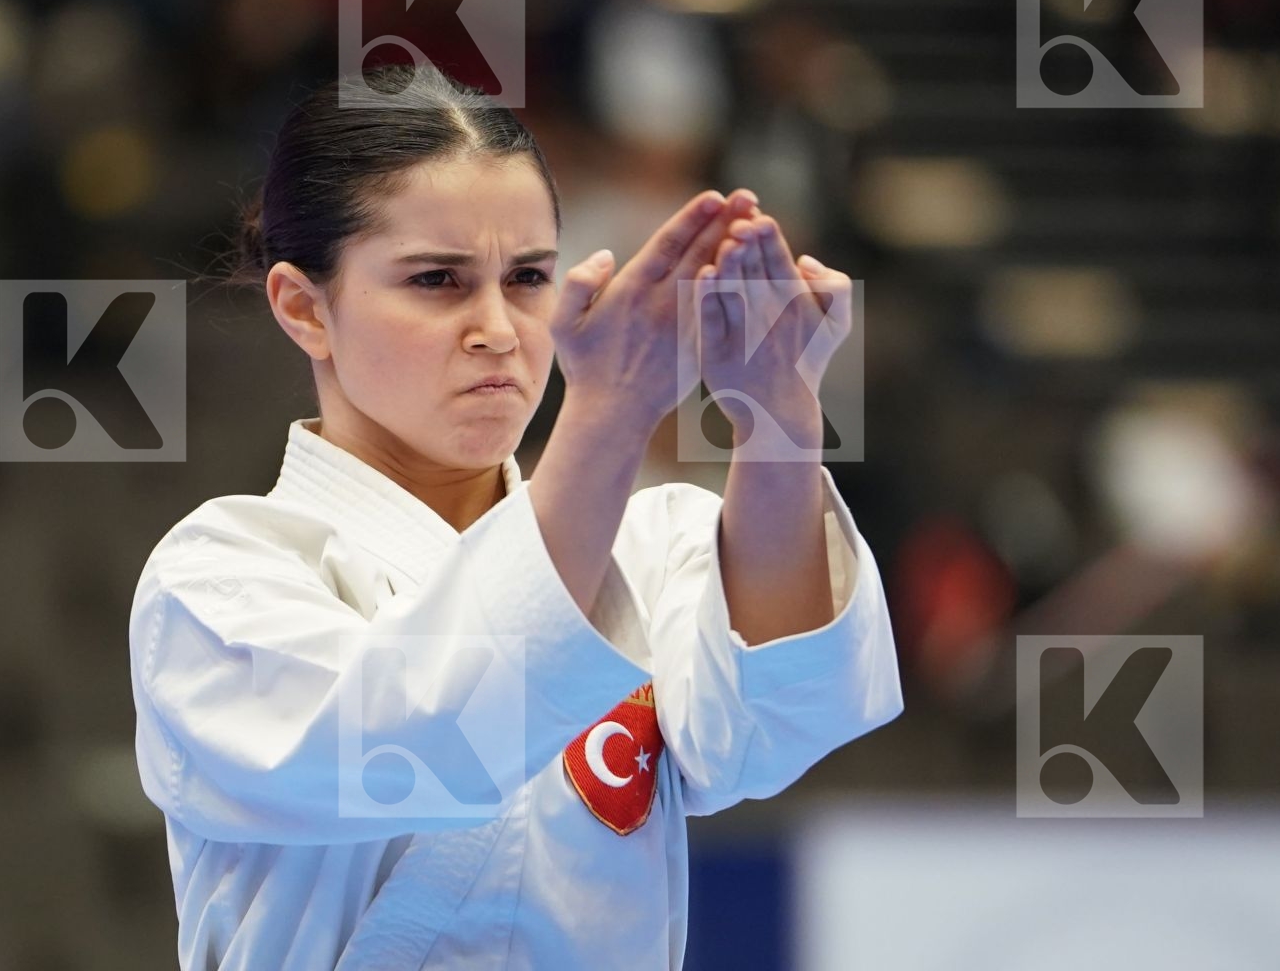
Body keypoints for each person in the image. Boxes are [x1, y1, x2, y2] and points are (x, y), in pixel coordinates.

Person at [127, 64, 902, 969]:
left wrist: (778, 413)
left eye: (528, 276)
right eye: (437, 281)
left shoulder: (647, 543)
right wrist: (609, 414)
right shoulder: (223, 579)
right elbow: (425, 744)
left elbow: (778, 723)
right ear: (305, 307)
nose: (496, 326)